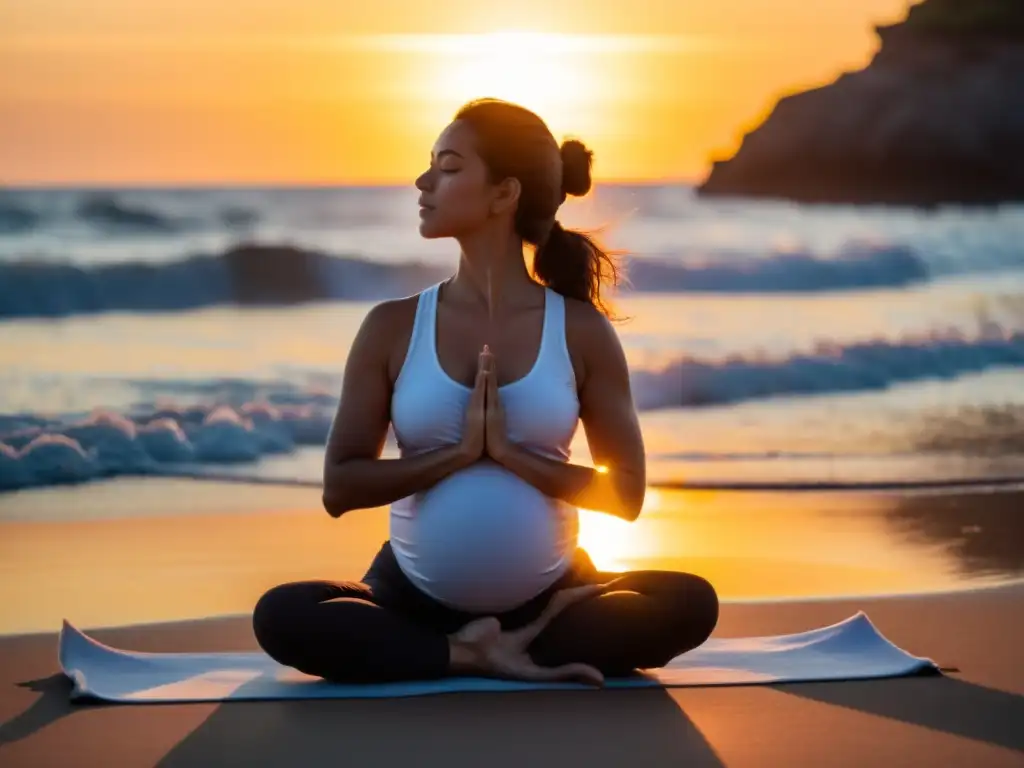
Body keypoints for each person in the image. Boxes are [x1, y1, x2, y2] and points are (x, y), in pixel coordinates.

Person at [252, 98, 718, 686]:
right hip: (409, 598)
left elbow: (624, 495)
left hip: (554, 603)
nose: (423, 182)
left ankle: (462, 651)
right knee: (282, 616)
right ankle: (472, 654)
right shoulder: (392, 327)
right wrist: (456, 454)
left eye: (447, 167)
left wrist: (510, 454)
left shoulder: (580, 329)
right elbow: (340, 487)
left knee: (689, 601)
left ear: (504, 194)